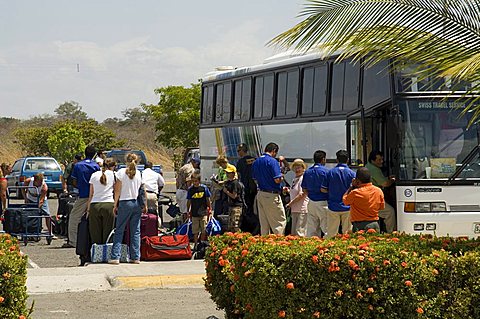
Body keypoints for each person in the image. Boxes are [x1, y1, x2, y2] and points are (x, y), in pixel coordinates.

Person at [110, 153, 145, 264]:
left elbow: (117, 190)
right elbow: (142, 190)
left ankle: (115, 256)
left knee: (119, 229)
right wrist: (145, 204)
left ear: (125, 161)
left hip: (125, 202)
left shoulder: (121, 173)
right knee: (135, 231)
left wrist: (115, 204)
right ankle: (135, 257)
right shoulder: (139, 173)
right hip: (136, 203)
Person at [64, 146, 100, 248]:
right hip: (95, 195)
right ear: (94, 155)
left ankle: (73, 241)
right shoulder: (96, 166)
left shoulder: (78, 166)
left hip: (83, 194)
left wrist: (80, 186)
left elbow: (74, 181)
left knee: (74, 217)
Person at [252, 142, 287, 235]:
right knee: (279, 223)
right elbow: (277, 179)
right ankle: (279, 245)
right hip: (271, 195)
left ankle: (265, 244)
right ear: (274, 151)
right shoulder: (272, 161)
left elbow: (255, 179)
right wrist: (282, 176)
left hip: (260, 194)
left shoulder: (256, 162)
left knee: (264, 223)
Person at [322, 150, 356, 238]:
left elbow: (323, 189)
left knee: (331, 233)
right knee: (347, 234)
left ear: (337, 160)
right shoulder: (352, 174)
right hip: (348, 207)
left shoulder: (330, 173)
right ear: (347, 160)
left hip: (333, 206)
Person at [342, 167, 385, 232]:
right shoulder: (378, 191)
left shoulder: (355, 193)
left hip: (359, 225)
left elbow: (345, 201)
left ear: (357, 180)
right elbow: (381, 207)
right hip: (374, 224)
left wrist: (351, 187)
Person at [365, 150, 397, 233]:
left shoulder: (368, 166)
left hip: (369, 198)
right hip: (373, 199)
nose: (382, 162)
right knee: (390, 212)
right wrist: (393, 180)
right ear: (372, 160)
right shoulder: (374, 169)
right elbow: (385, 183)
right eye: (379, 160)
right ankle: (391, 233)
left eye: (382, 159)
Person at [86, 158, 116, 245]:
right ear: (112, 166)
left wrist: (88, 209)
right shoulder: (113, 175)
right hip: (108, 204)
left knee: (95, 233)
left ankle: (97, 253)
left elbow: (91, 194)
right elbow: (116, 191)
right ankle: (106, 253)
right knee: (108, 232)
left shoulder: (94, 175)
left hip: (95, 204)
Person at [301, 150, 329, 237]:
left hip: (311, 202)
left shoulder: (308, 172)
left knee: (312, 229)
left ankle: (311, 247)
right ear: (323, 159)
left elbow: (304, 188)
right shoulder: (326, 172)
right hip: (323, 202)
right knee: (327, 228)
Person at [236, 143, 258, 233]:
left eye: (238, 151)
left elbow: (238, 175)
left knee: (247, 209)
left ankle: (251, 227)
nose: (238, 153)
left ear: (242, 150)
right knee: (254, 208)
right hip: (254, 188)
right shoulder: (253, 159)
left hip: (245, 188)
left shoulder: (240, 162)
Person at [187, 173, 212, 247]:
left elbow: (208, 199)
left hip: (203, 212)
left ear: (199, 181)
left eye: (196, 181)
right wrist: (188, 211)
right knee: (195, 230)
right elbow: (189, 201)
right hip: (194, 213)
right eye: (193, 181)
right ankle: (195, 244)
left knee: (204, 229)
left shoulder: (204, 188)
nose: (195, 183)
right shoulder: (191, 190)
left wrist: (209, 208)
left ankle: (201, 243)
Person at [286, 159, 309, 237]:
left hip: (302, 209)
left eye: (299, 167)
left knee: (300, 232)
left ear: (303, 168)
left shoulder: (302, 178)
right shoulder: (294, 179)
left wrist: (290, 203)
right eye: (295, 167)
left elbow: (301, 194)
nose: (297, 169)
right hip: (295, 209)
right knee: (294, 233)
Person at [223, 165, 244, 233]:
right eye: (226, 173)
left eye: (228, 173)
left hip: (236, 206)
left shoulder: (235, 183)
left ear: (233, 173)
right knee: (230, 226)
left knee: (235, 225)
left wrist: (227, 192)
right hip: (231, 206)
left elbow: (234, 196)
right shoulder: (229, 182)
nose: (227, 174)